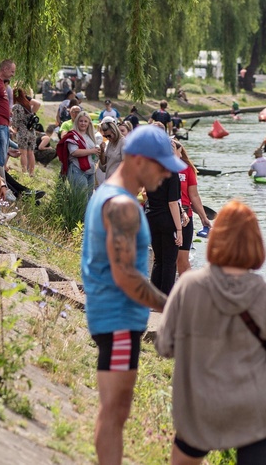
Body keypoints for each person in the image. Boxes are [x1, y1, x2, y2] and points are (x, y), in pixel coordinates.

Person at [156, 200, 266, 465]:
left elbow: (165, 345)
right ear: (256, 244)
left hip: (201, 403)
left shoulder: (189, 286)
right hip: (258, 408)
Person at [80, 125, 184, 465]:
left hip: (112, 318)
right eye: (162, 166)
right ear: (139, 160)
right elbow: (125, 275)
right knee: (115, 412)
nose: (167, 174)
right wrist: (172, 307)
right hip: (119, 320)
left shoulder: (110, 195)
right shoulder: (122, 206)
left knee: (113, 411)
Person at [146, 138, 183, 295]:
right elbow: (173, 202)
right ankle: (165, 298)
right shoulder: (171, 172)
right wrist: (179, 229)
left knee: (158, 260)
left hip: (151, 217)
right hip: (167, 219)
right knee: (169, 262)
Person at [173, 141, 210, 276]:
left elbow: (194, 196)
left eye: (173, 148)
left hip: (185, 217)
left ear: (180, 151)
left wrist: (203, 217)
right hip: (166, 215)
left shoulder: (187, 169)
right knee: (165, 259)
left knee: (182, 259)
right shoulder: (160, 167)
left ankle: (188, 286)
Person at [58, 110, 99, 195]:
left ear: (89, 123)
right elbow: (74, 152)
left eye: (85, 121)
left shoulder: (91, 136)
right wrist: (92, 151)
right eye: (81, 121)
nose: (83, 123)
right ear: (77, 122)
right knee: (81, 198)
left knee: (89, 198)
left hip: (91, 170)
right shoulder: (72, 135)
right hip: (77, 169)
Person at [11, 88, 38, 176]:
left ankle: (24, 172)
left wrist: (14, 130)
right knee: (31, 153)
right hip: (31, 131)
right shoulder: (28, 105)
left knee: (23, 153)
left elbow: (15, 122)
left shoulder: (16, 107)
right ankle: (32, 173)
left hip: (22, 132)